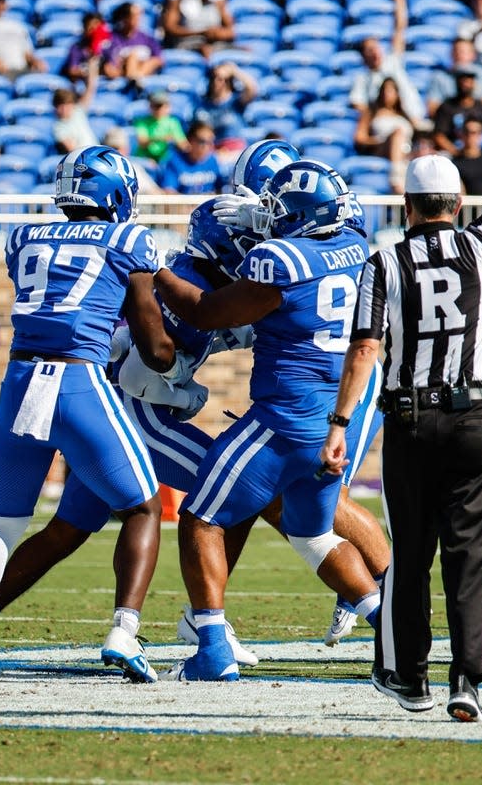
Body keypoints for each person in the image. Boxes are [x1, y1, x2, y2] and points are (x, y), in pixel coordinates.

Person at [322, 50, 482, 722]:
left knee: (409, 552)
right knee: (470, 558)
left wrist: (339, 423)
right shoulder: (481, 245)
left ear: (408, 205)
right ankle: (466, 680)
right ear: (457, 203)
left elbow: (365, 347)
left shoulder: (382, 260)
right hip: (475, 417)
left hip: (411, 418)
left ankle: (407, 677)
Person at [0, 145, 177, 685]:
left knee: (0, 523)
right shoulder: (129, 239)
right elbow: (156, 348)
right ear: (115, 193)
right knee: (143, 507)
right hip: (78, 382)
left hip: (21, 382)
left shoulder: (23, 237)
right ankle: (124, 630)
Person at [154, 160, 382, 681]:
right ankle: (391, 628)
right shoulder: (355, 246)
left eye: (278, 211)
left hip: (285, 419)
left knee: (202, 517)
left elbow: (206, 311)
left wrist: (154, 271)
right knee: (313, 533)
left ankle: (211, 649)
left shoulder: (281, 260)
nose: (269, 219)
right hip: (335, 417)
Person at [354, 78, 418, 191]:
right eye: (384, 90)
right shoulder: (372, 112)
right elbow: (360, 138)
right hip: (382, 148)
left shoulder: (404, 115)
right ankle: (396, 178)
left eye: (390, 91)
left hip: (407, 151)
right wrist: (382, 140)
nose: (386, 94)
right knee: (398, 134)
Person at [347, 37, 425, 123]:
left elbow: (399, 35)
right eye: (370, 50)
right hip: (387, 123)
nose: (375, 52)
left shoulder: (393, 62)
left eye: (376, 48)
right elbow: (357, 102)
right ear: (363, 57)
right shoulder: (362, 79)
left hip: (415, 119)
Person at [194, 61, 258, 156]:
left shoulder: (235, 101)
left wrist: (233, 70)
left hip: (233, 151)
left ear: (228, 81)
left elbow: (252, 89)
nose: (216, 82)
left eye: (221, 79)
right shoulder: (203, 105)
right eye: (213, 77)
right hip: (210, 151)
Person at [433, 66, 482, 154]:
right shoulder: (447, 106)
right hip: (456, 152)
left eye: (469, 80)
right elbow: (439, 136)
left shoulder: (480, 106)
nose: (465, 84)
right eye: (462, 80)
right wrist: (457, 153)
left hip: (481, 152)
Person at [425, 38, 482, 120]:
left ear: (473, 55)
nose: (459, 54)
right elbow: (432, 108)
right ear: (451, 54)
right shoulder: (439, 77)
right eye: (456, 51)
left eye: (463, 51)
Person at [160, 0, 235, 58]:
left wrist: (217, 33)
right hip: (188, 43)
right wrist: (200, 33)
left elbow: (231, 31)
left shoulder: (218, 1)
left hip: (215, 44)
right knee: (205, 51)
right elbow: (170, 27)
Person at [102, 2, 163, 90]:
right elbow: (110, 66)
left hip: (143, 71)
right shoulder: (113, 38)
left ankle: (135, 79)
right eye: (133, 16)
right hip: (122, 72)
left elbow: (159, 59)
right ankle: (135, 80)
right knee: (132, 56)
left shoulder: (147, 38)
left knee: (149, 60)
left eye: (139, 16)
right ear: (124, 18)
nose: (137, 19)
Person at [158, 120, 223, 195]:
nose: (208, 146)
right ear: (190, 140)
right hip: (184, 205)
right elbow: (169, 191)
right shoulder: (176, 161)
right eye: (202, 141)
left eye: (211, 141)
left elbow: (221, 189)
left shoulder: (212, 161)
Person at [51, 59, 100, 154]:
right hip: (82, 161)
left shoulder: (78, 111)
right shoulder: (58, 127)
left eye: (67, 105)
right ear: (55, 107)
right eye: (61, 106)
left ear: (72, 105)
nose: (64, 109)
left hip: (95, 154)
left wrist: (92, 67)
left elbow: (91, 88)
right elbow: (73, 151)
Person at [133, 91, 187, 164]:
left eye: (161, 106)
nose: (158, 109)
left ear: (168, 107)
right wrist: (162, 138)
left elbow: (184, 145)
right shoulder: (142, 122)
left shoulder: (173, 122)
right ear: (150, 107)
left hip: (165, 161)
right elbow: (142, 142)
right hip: (145, 158)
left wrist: (177, 143)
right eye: (155, 106)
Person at [452, 117, 482, 195]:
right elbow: (461, 192)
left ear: (481, 135)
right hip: (470, 206)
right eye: (466, 132)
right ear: (461, 134)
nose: (470, 136)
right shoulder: (455, 163)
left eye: (474, 132)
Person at [61, 12, 110, 87]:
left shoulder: (107, 46)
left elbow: (112, 70)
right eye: (90, 26)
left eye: (97, 25)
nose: (94, 29)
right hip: (81, 85)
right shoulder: (77, 47)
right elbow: (72, 71)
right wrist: (90, 71)